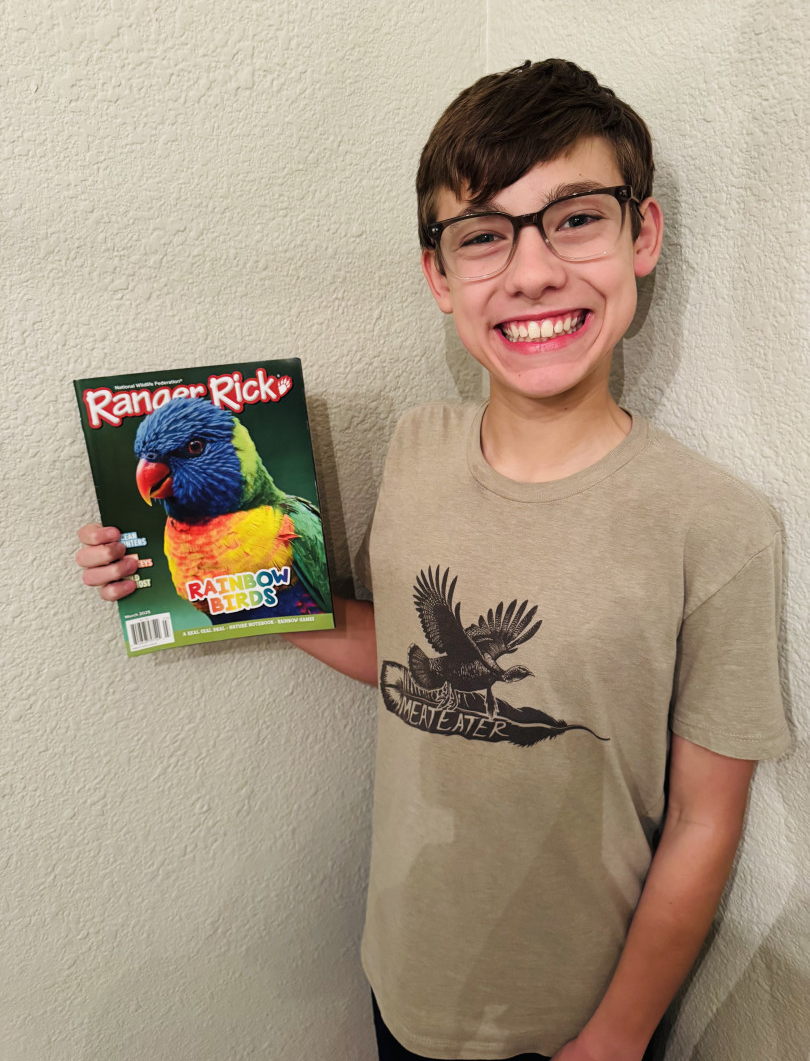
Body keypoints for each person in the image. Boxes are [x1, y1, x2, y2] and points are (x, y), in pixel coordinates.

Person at [76, 59, 789, 1061]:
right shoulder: (416, 445)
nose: (532, 271)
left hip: (576, 1018)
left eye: (577, 217)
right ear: (438, 275)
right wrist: (183, 581)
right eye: (484, 234)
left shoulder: (717, 524)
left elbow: (707, 822)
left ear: (644, 235)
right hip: (404, 974)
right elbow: (398, 656)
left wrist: (616, 1038)